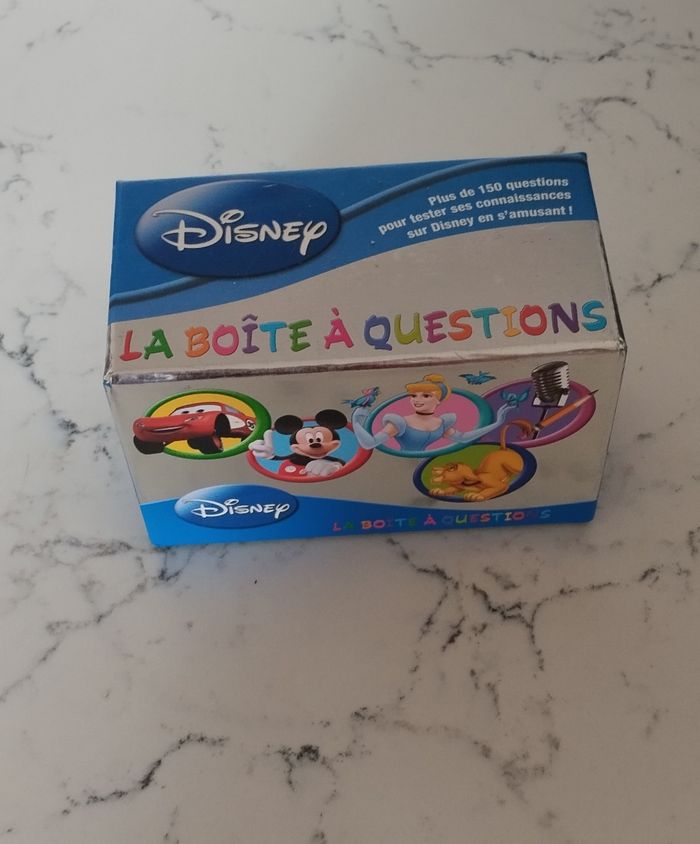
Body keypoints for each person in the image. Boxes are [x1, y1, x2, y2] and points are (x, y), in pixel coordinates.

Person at [352, 374, 512, 452]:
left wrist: (497, 423)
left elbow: (463, 438)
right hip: (399, 468)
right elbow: (369, 443)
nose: (417, 400)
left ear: (438, 400)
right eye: (413, 395)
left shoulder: (442, 423)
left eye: (426, 396)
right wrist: (356, 422)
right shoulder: (399, 422)